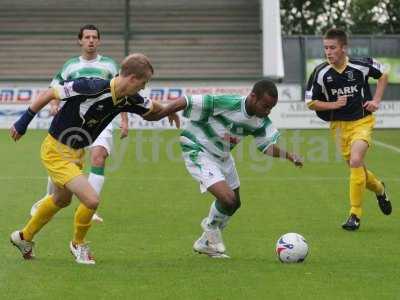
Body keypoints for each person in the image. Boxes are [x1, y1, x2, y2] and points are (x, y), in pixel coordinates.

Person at [9, 53, 179, 264]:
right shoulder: (91, 86)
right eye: (144, 82)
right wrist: (23, 122)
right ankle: (78, 244)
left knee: (61, 200)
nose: (144, 88)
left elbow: (151, 110)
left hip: (76, 152)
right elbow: (49, 94)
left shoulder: (128, 97)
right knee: (91, 200)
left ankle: (23, 237)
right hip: (56, 150)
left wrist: (171, 110)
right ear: (132, 78)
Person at [153, 79, 304, 258]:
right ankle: (209, 228)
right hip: (197, 148)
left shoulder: (260, 120)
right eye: (265, 106)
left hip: (222, 156)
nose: (267, 111)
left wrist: (288, 155)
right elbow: (187, 101)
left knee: (235, 203)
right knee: (228, 198)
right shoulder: (228, 103)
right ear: (253, 97)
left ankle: (204, 243)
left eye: (271, 108)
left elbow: (266, 146)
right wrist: (163, 112)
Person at [30, 24, 126, 223]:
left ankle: (88, 207)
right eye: (87, 37)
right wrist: (54, 104)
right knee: (65, 162)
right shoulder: (70, 65)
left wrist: (124, 120)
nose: (91, 40)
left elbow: (121, 91)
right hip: (73, 122)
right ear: (80, 41)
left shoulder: (109, 65)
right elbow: (55, 87)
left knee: (99, 157)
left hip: (103, 119)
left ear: (99, 41)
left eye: (94, 37)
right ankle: (48, 199)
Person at [305, 28, 391, 231]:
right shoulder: (320, 72)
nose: (328, 52)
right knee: (357, 168)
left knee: (355, 160)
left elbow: (384, 74)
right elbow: (310, 102)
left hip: (362, 122)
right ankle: (380, 189)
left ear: (344, 48)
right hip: (338, 128)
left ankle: (355, 214)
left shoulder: (360, 65)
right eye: (326, 48)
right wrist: (333, 105)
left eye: (332, 47)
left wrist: (376, 100)